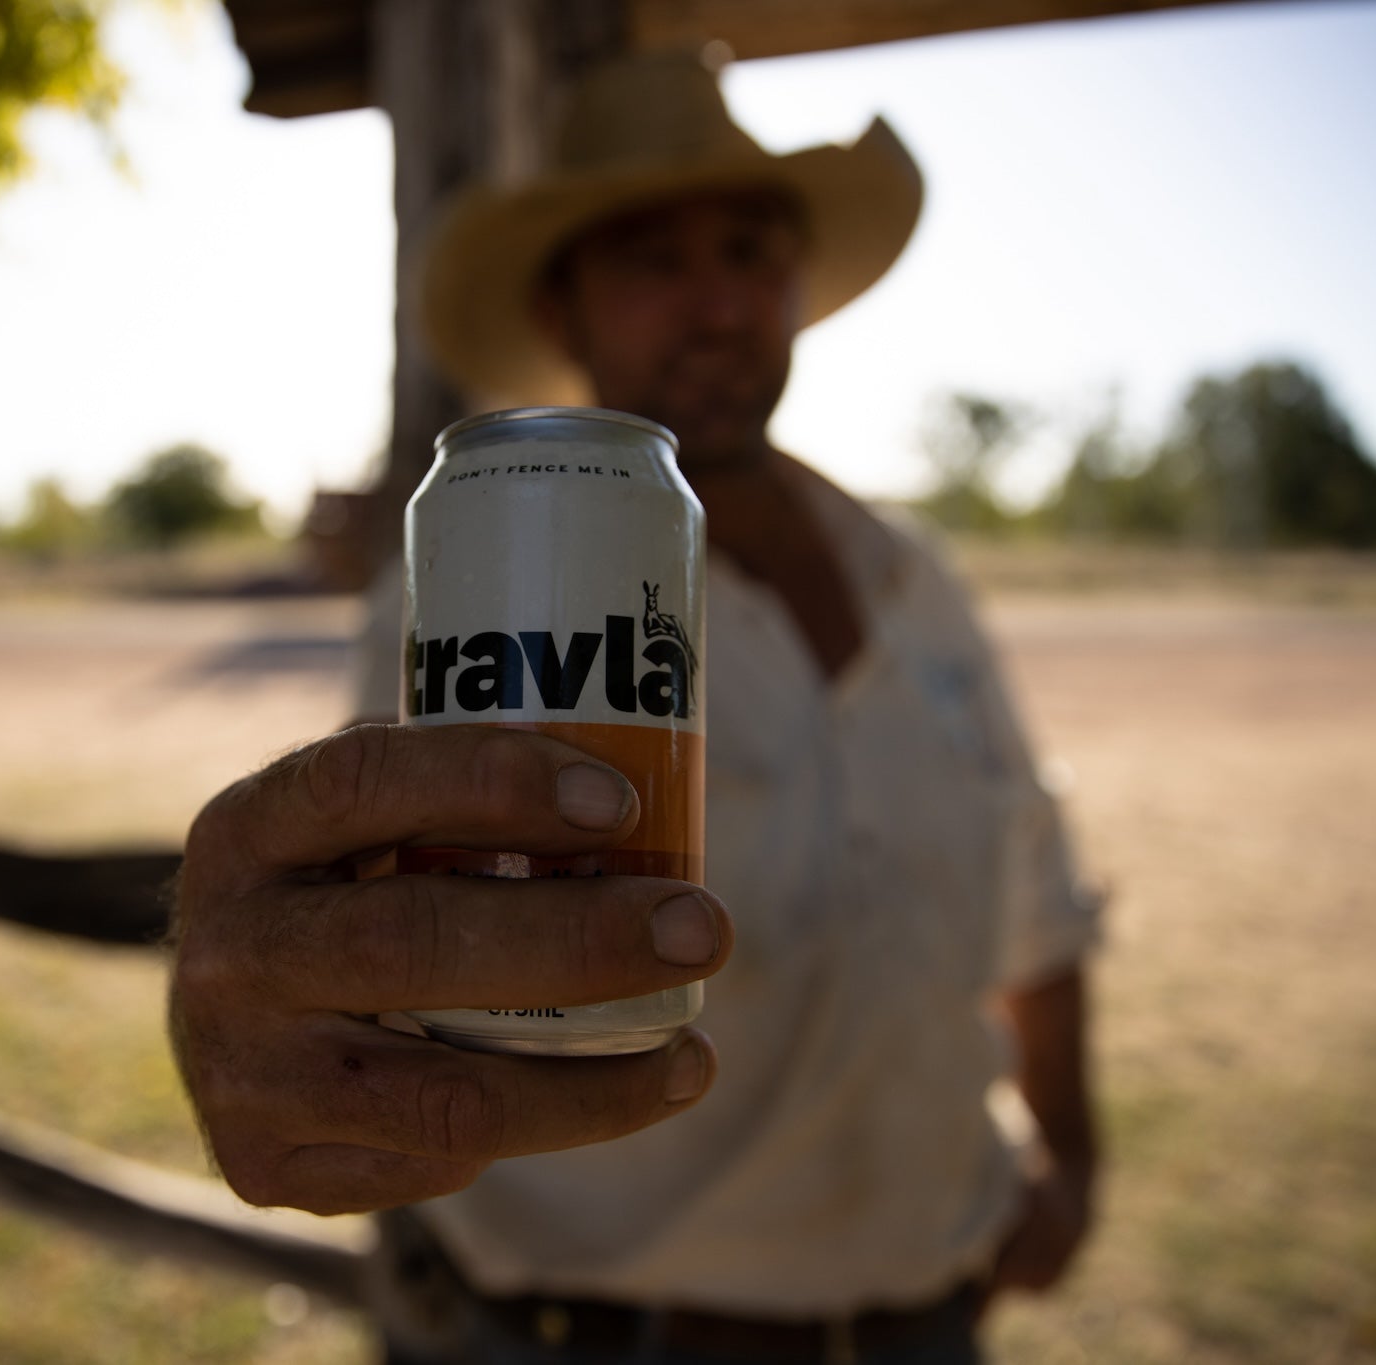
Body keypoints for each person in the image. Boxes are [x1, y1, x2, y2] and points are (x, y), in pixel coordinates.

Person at [171, 52, 1100, 1364]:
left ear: (796, 287)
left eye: (747, 249)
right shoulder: (467, 592)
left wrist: (1073, 1160)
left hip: (930, 1319)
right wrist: (273, 996)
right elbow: (358, 935)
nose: (715, 302)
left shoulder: (916, 576)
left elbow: (1038, 902)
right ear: (568, 306)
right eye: (651, 262)